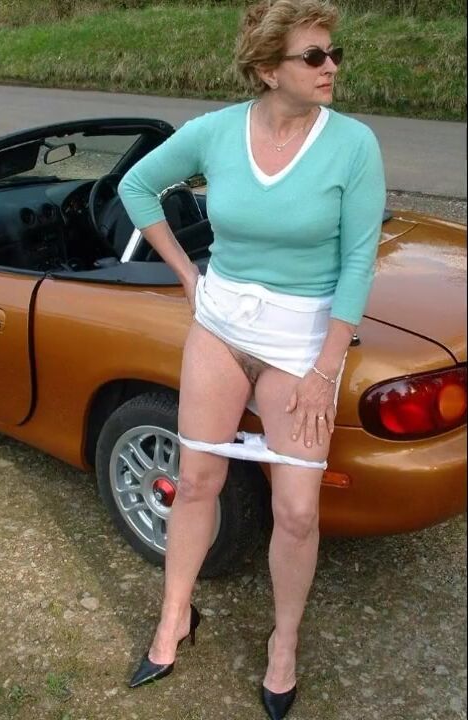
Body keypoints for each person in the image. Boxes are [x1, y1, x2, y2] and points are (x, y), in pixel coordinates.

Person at [117, 0, 386, 716]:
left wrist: (325, 370)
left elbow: (358, 260)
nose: (331, 67)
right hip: (220, 329)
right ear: (268, 70)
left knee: (295, 510)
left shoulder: (353, 144)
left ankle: (283, 643)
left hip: (302, 344)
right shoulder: (215, 131)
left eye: (333, 53)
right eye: (313, 56)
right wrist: (186, 274)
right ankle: (175, 616)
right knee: (196, 481)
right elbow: (135, 186)